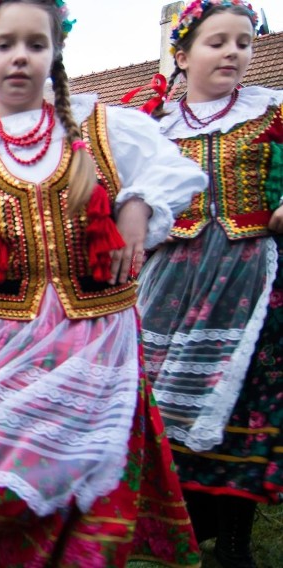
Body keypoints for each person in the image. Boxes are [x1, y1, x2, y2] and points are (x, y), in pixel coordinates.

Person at [0, 1, 209, 566]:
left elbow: (175, 169)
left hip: (96, 336)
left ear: (55, 54)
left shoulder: (102, 130)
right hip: (6, 338)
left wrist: (137, 204)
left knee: (85, 463)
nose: (20, 57)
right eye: (4, 44)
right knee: (4, 459)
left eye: (36, 44)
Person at [135, 2, 283, 566]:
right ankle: (185, 523)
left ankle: (238, 541)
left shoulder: (270, 112)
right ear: (181, 54)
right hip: (172, 283)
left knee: (242, 406)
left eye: (242, 42)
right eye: (216, 42)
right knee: (165, 401)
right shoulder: (156, 127)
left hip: (250, 282)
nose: (232, 52)